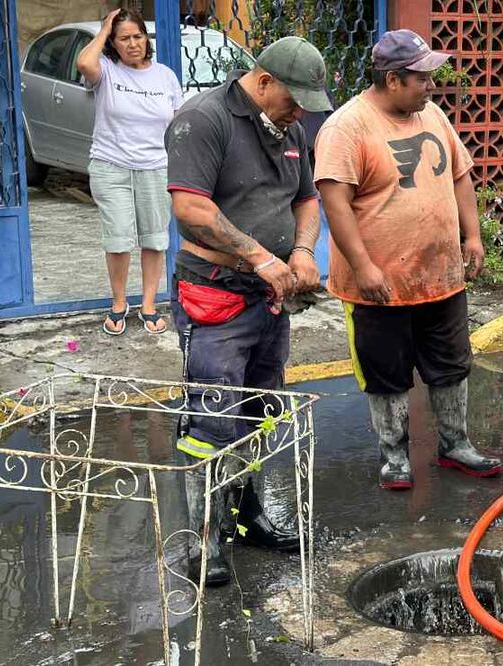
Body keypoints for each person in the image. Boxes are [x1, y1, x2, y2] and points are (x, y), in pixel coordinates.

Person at [165, 36, 332, 585]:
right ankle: (204, 540)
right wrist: (260, 256)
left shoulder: (287, 127)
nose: (301, 110)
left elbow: (306, 198)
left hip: (272, 296)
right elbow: (190, 206)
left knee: (259, 413)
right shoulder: (203, 119)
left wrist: (303, 251)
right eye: (294, 98)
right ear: (263, 81)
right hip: (216, 291)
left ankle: (245, 518)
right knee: (211, 419)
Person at [314, 30, 502, 490]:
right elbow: (335, 203)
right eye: (422, 78)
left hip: (439, 275)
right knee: (386, 372)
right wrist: (363, 267)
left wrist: (472, 236)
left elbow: (460, 176)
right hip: (378, 283)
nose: (431, 86)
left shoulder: (432, 114)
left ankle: (455, 445)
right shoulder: (346, 127)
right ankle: (394, 455)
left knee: (451, 364)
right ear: (393, 79)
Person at [76, 8, 183, 335]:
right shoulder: (106, 71)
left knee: (154, 238)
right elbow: (84, 63)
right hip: (112, 167)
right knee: (119, 238)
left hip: (155, 167)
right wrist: (105, 27)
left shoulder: (165, 75)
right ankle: (119, 302)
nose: (133, 43)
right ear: (113, 42)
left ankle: (148, 304)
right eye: (124, 38)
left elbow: (178, 123)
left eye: (138, 36)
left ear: (146, 39)